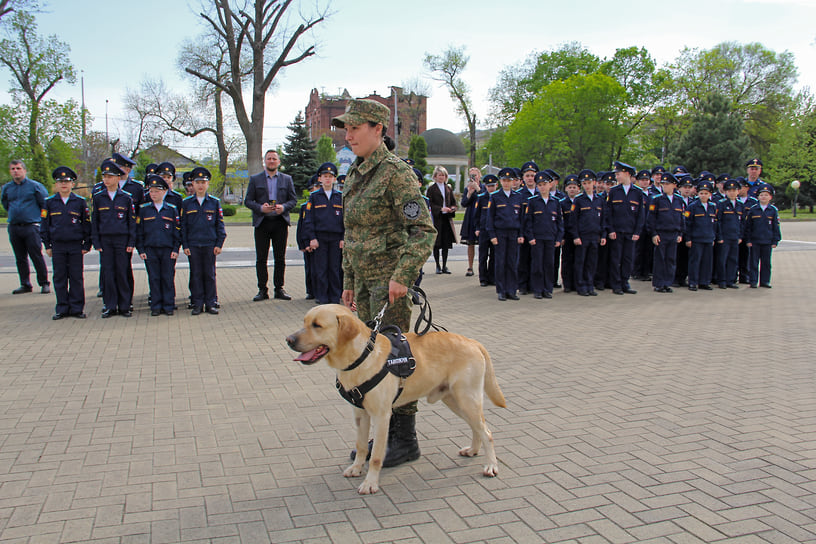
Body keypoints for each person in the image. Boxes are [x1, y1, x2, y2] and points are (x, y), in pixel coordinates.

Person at [333, 98, 436, 468]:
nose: (349, 135)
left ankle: (404, 440)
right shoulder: (357, 173)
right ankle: (383, 433)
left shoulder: (396, 173)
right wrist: (348, 281)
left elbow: (423, 231)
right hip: (363, 285)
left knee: (395, 362)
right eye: (346, 128)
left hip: (389, 286)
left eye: (355, 128)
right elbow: (352, 232)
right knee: (369, 362)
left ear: (378, 129)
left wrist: (402, 277)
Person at [244, 149, 298, 301]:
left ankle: (279, 288)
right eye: (269, 159)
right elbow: (248, 201)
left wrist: (284, 207)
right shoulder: (255, 179)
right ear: (264, 161)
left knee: (280, 258)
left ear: (279, 162)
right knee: (261, 258)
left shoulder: (287, 179)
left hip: (280, 222)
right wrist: (260, 208)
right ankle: (262, 289)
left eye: (274, 159)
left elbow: (293, 200)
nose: (272, 161)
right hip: (262, 223)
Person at [40, 167, 91, 319]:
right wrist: (47, 245)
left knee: (76, 277)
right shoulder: (49, 203)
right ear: (56, 184)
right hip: (58, 246)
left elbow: (87, 224)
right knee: (60, 277)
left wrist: (86, 244)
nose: (64, 185)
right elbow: (44, 225)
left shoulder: (80, 202)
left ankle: (77, 308)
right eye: (60, 182)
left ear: (72, 184)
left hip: (75, 245)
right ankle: (62, 308)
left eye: (67, 182)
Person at [92, 160, 136, 317]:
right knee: (108, 273)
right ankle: (110, 305)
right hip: (105, 241)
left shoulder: (126, 198)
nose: (107, 179)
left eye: (110, 176)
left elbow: (131, 222)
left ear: (118, 178)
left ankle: (125, 305)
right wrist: (96, 242)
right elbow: (95, 221)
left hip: (122, 241)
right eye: (105, 176)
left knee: (122, 272)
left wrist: (131, 242)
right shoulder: (98, 198)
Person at [182, 167, 226, 315]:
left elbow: (219, 224)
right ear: (192, 184)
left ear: (208, 184)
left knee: (209, 274)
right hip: (193, 245)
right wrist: (185, 245)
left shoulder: (214, 202)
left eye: (203, 182)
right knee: (195, 274)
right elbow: (183, 226)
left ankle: (211, 303)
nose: (200, 185)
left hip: (209, 244)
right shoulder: (187, 203)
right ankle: (197, 303)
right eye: (197, 182)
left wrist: (219, 243)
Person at [2, 159, 50, 294]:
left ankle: (44, 282)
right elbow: (5, 204)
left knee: (36, 255)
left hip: (31, 226)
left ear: (24, 170)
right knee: (20, 257)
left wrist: (41, 222)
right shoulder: (7, 188)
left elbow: (44, 205)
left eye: (18, 168)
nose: (15, 171)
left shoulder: (35, 187)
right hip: (15, 227)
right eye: (13, 169)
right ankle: (25, 284)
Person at [136, 174, 181, 316]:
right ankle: (156, 305)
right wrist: (141, 249)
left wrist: (175, 248)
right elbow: (140, 232)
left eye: (156, 191)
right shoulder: (144, 209)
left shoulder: (171, 209)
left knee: (167, 277)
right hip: (150, 249)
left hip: (167, 249)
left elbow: (177, 231)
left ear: (164, 192)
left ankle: (168, 305)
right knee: (154, 278)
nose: (153, 194)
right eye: (151, 191)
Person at [303, 162, 344, 305]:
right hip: (319, 238)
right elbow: (309, 219)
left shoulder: (340, 196)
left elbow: (345, 219)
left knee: (335, 268)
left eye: (330, 176)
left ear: (334, 179)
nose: (327, 179)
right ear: (319, 179)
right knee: (320, 268)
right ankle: (322, 296)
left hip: (335, 238)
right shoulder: (314, 197)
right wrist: (312, 238)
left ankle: (334, 297)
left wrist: (343, 238)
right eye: (324, 176)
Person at [605, 161, 645, 295]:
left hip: (630, 231)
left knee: (628, 258)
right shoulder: (614, 191)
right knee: (616, 259)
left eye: (618, 174)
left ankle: (625, 282)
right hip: (617, 231)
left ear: (627, 174)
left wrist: (637, 231)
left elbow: (640, 214)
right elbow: (608, 212)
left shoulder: (637, 192)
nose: (617, 177)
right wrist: (610, 229)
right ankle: (616, 284)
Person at [523, 171, 563, 299]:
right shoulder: (533, 201)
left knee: (549, 264)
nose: (542, 187)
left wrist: (558, 238)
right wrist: (531, 237)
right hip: (537, 239)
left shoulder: (556, 202)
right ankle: (538, 289)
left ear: (550, 185)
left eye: (544, 184)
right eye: (539, 185)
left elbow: (559, 222)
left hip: (550, 238)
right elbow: (528, 221)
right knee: (537, 265)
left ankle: (547, 289)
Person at [487, 167, 525, 301]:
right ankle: (501, 290)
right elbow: (490, 218)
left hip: (514, 233)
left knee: (512, 263)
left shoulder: (518, 197)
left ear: (513, 181)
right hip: (500, 233)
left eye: (509, 180)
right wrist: (492, 235)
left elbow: (521, 217)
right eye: (504, 180)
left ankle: (512, 290)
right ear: (501, 182)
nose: (507, 183)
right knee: (500, 263)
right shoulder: (495, 197)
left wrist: (521, 234)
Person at [646, 173, 685, 293]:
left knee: (670, 259)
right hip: (661, 233)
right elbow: (651, 218)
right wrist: (653, 233)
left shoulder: (679, 200)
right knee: (660, 259)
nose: (665, 186)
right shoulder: (657, 199)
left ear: (674, 185)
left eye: (668, 184)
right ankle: (659, 283)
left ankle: (667, 283)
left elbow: (681, 218)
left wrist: (680, 233)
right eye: (663, 184)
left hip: (673, 233)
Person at [570, 169, 606, 297]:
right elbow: (573, 221)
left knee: (591, 262)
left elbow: (603, 219)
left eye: (589, 182)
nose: (587, 185)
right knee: (581, 262)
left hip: (595, 235)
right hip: (583, 236)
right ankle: (581, 285)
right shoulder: (579, 200)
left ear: (594, 183)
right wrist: (576, 236)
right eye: (584, 183)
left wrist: (603, 235)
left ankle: (590, 285)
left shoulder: (599, 200)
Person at [744, 185, 781, 288]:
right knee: (753, 263)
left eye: (766, 195)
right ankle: (753, 281)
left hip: (767, 241)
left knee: (766, 263)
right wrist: (748, 240)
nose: (764, 197)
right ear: (758, 197)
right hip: (755, 241)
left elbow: (775, 226)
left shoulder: (773, 210)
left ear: (770, 197)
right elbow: (748, 227)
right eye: (761, 195)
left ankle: (765, 281)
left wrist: (775, 240)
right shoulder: (753, 209)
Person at [685, 180, 717, 291]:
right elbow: (688, 224)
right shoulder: (692, 207)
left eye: (706, 193)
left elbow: (715, 224)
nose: (703, 195)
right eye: (701, 193)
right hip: (696, 239)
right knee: (695, 261)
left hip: (708, 238)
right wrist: (688, 238)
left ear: (710, 194)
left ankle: (704, 282)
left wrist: (713, 237)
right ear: (698, 194)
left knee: (707, 261)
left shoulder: (713, 207)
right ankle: (693, 282)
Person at [426, 165, 457, 274]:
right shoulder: (431, 189)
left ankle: (444, 265)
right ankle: (437, 266)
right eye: (439, 175)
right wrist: (440, 209)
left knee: (445, 244)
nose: (441, 177)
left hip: (446, 219)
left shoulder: (448, 188)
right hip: (437, 219)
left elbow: (453, 202)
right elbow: (429, 204)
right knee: (437, 243)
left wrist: (452, 208)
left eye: (443, 175)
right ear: (435, 176)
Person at [716, 179, 744, 289]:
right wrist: (720, 236)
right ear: (726, 192)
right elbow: (718, 221)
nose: (732, 192)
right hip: (724, 237)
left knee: (733, 259)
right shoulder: (721, 204)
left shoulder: (740, 205)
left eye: (734, 190)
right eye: (729, 190)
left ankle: (730, 280)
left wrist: (740, 236)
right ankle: (722, 280)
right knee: (722, 259)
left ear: (738, 191)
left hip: (735, 236)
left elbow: (742, 222)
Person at [515, 161, 538, 294]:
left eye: (532, 175)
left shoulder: (540, 193)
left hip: (536, 232)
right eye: (527, 175)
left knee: (535, 260)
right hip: (523, 232)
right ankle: (522, 285)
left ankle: (533, 285)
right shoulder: (519, 195)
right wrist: (520, 233)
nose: (530, 178)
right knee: (522, 260)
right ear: (523, 178)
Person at [296, 176, 320, 300]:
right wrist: (303, 243)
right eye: (314, 188)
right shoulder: (306, 206)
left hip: (320, 241)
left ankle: (320, 290)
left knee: (320, 268)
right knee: (310, 268)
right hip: (309, 242)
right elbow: (302, 227)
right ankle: (311, 290)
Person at [474, 174, 498, 287]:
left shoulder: (498, 198)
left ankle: (492, 277)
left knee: (494, 255)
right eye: (489, 186)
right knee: (483, 255)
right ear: (485, 186)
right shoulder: (481, 198)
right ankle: (483, 278)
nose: (491, 188)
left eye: (493, 186)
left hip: (495, 231)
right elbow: (477, 215)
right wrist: (477, 228)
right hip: (483, 230)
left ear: (496, 186)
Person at [559, 174, 580, 293]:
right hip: (566, 236)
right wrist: (561, 236)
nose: (572, 189)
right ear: (566, 189)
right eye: (570, 187)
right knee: (566, 260)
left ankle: (577, 283)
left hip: (578, 236)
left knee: (578, 260)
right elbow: (560, 221)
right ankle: (567, 283)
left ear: (578, 188)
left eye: (574, 187)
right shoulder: (562, 203)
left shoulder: (581, 201)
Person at [459, 167, 482, 276]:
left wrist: (478, 189)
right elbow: (463, 203)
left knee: (483, 244)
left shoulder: (483, 187)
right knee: (470, 243)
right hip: (471, 216)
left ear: (479, 176)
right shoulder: (467, 188)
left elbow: (485, 199)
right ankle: (470, 266)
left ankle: (483, 268)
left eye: (475, 175)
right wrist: (469, 193)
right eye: (471, 175)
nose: (473, 177)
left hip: (482, 216)